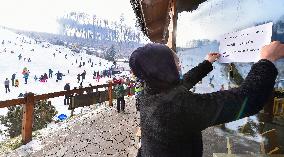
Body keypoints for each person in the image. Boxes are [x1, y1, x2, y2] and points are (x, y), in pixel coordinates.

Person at [129, 42, 284, 157]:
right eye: (175, 61)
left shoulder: (149, 93)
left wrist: (206, 64)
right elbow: (246, 99)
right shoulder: (178, 107)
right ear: (164, 68)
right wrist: (267, 60)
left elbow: (181, 85)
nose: (180, 64)